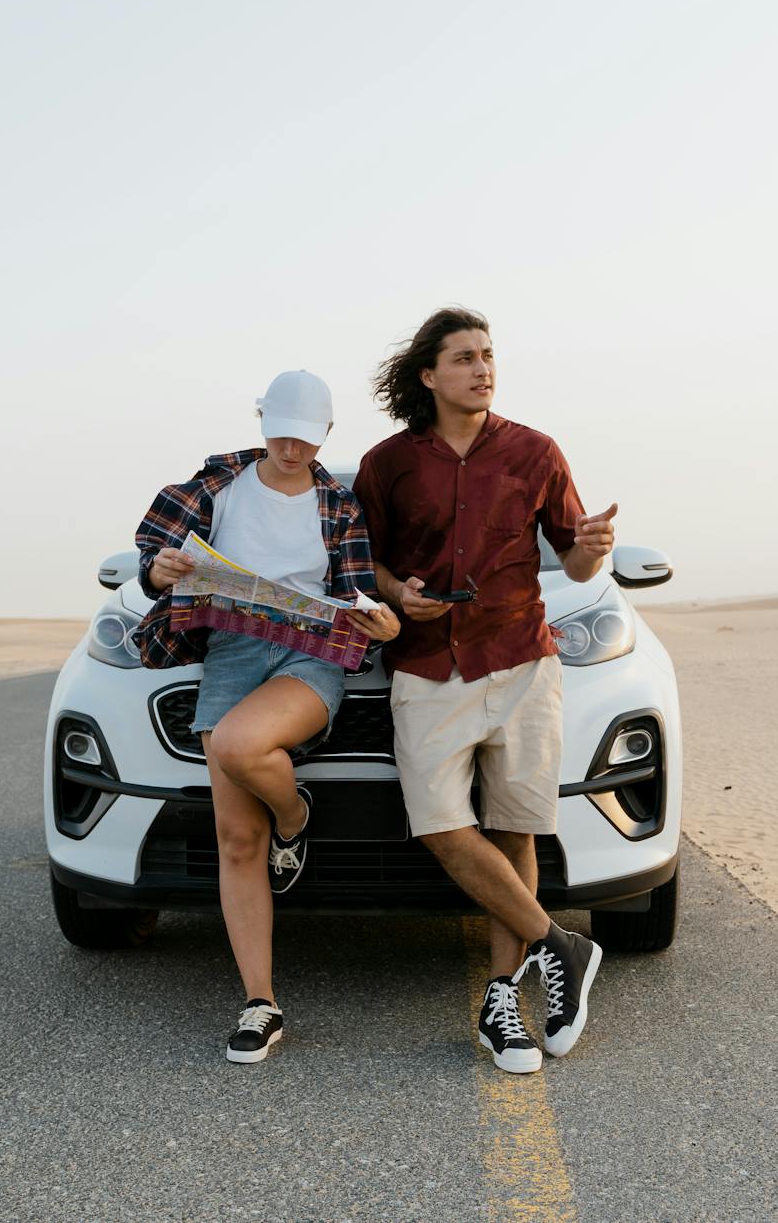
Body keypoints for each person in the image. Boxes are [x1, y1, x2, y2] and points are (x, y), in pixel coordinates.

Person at [353, 308, 618, 1075]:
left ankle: (503, 999)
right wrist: (401, 590)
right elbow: (362, 563)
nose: (482, 367)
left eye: (488, 355)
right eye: (464, 357)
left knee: (514, 828)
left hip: (521, 658)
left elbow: (573, 565)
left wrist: (591, 549)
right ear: (428, 374)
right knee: (439, 825)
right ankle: (560, 944)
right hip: (429, 664)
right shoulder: (386, 463)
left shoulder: (537, 451)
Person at [133, 370, 400, 1064]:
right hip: (230, 650)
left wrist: (379, 620)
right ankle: (260, 1001)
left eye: (306, 438)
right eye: (280, 431)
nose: (291, 447)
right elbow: (152, 559)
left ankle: (295, 818)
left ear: (326, 435)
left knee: (238, 743)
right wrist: (159, 573)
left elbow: (357, 594)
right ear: (260, 420)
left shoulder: (337, 505)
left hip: (309, 654)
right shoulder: (216, 484)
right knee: (236, 841)